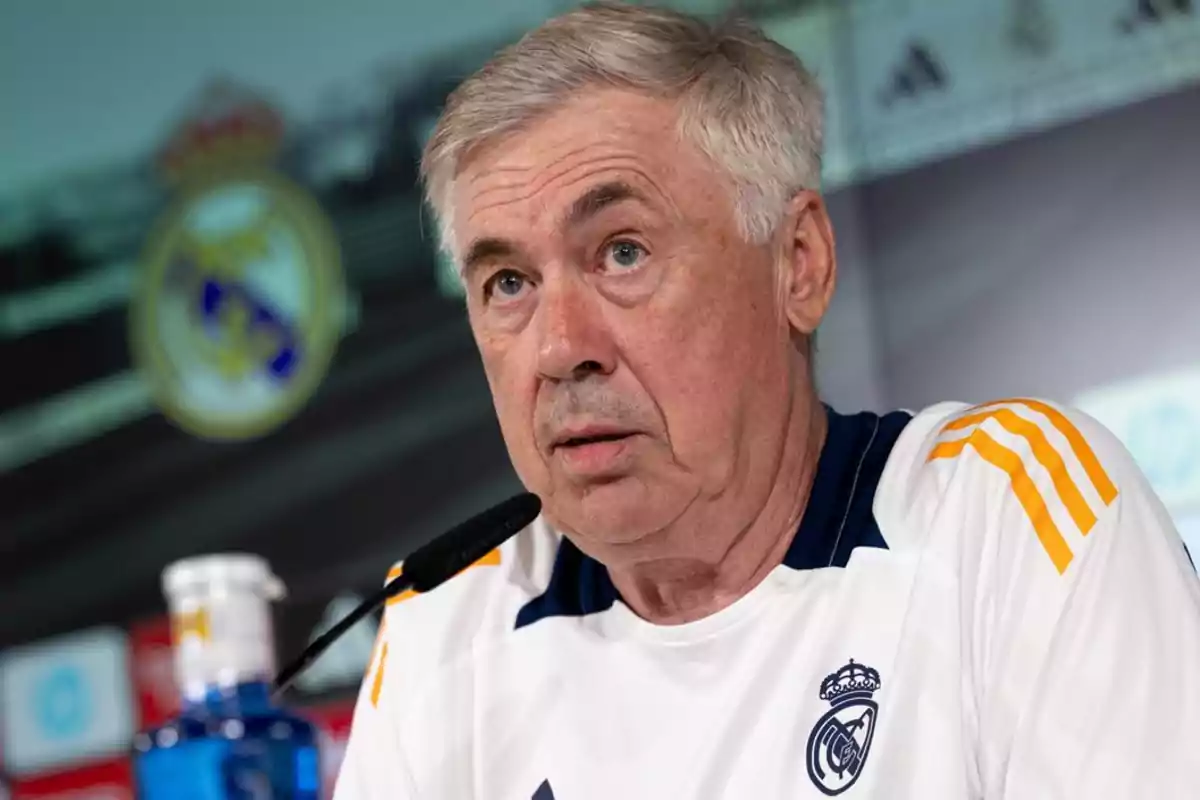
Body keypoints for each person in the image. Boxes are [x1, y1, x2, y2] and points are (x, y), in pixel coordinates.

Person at [334, 3, 1200, 798]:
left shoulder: (1007, 518)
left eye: (623, 252)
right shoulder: (441, 625)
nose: (562, 349)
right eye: (509, 282)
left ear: (799, 264)